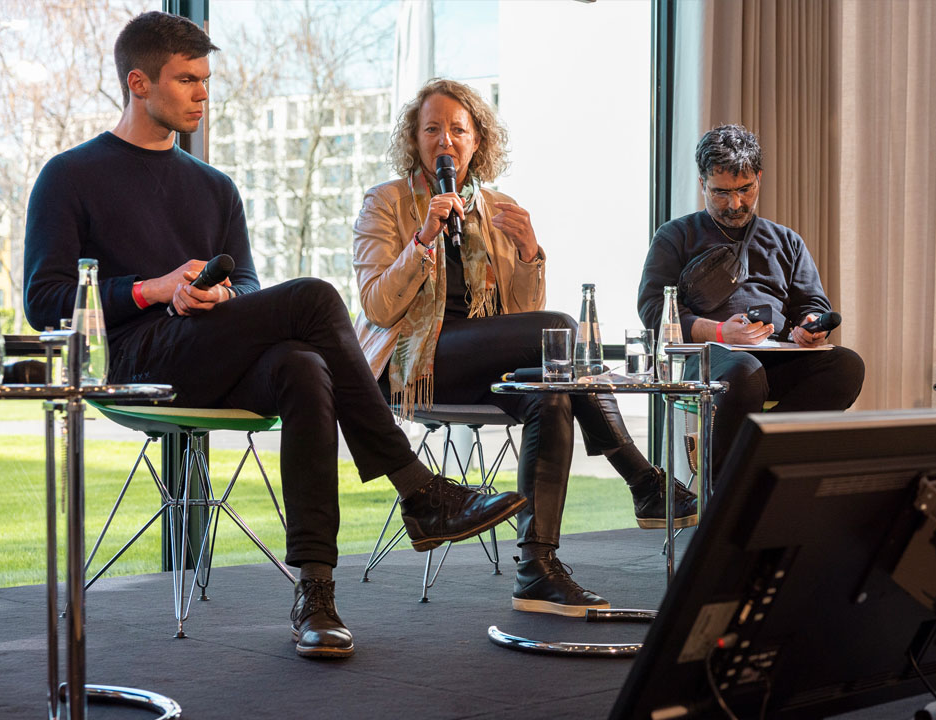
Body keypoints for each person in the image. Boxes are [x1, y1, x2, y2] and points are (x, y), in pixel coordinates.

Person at [23, 11, 526, 660]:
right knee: (316, 296)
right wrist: (153, 288)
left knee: (302, 366)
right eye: (186, 80)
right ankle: (418, 489)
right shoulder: (70, 176)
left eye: (206, 79)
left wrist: (224, 297)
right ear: (139, 83)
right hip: (135, 359)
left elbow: (255, 291)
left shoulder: (215, 189)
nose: (203, 93)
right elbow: (45, 303)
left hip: (213, 351)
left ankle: (315, 595)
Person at [353, 78, 697, 617]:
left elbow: (519, 316)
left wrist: (531, 253)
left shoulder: (497, 207)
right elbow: (376, 305)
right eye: (432, 129)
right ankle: (643, 479)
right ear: (414, 140)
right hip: (415, 362)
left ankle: (536, 568)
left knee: (551, 392)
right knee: (560, 327)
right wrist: (422, 238)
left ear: (477, 141)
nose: (445, 139)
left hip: (484, 362)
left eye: (458, 130)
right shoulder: (387, 202)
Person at [637, 125, 864, 482]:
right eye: (721, 193)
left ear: (759, 178)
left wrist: (809, 327)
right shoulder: (676, 236)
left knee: (847, 366)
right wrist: (721, 332)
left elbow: (813, 303)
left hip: (777, 360)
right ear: (702, 185)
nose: (735, 204)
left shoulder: (785, 240)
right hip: (713, 360)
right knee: (744, 371)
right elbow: (653, 309)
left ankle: (757, 459)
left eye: (745, 190)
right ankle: (730, 489)